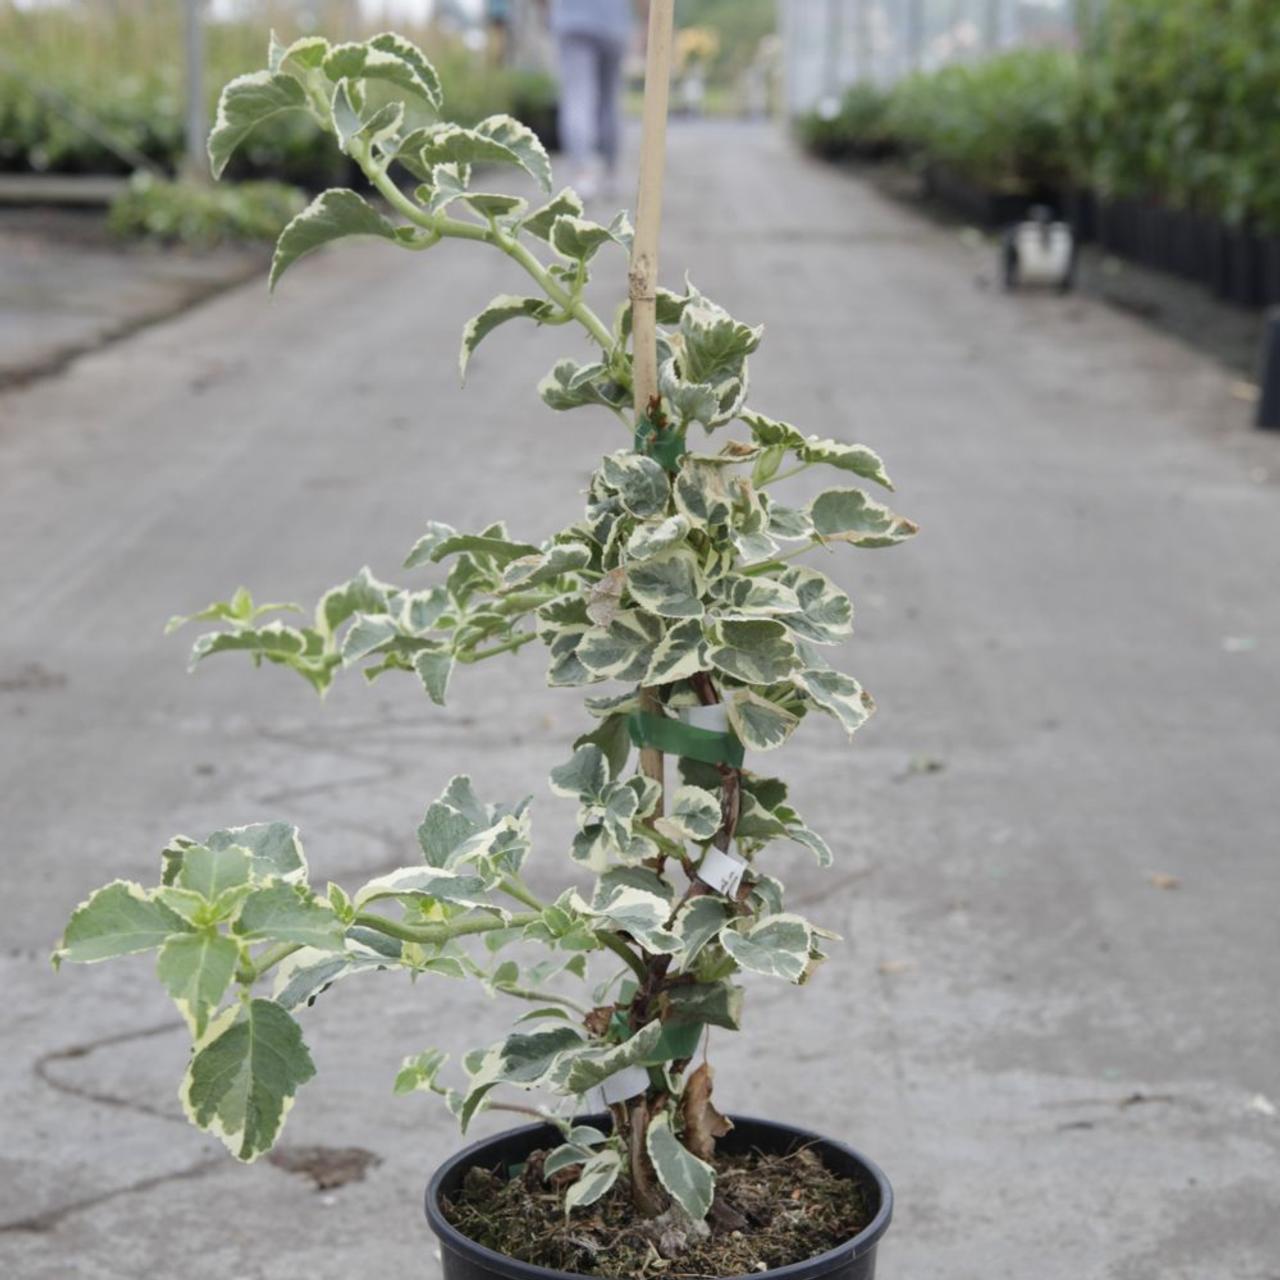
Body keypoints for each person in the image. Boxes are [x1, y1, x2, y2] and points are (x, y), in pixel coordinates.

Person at [543, 0, 643, 201]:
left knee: (577, 98)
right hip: (614, 22)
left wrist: (545, 10)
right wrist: (645, 18)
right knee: (610, 101)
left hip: (572, 19)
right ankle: (611, 173)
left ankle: (583, 174)